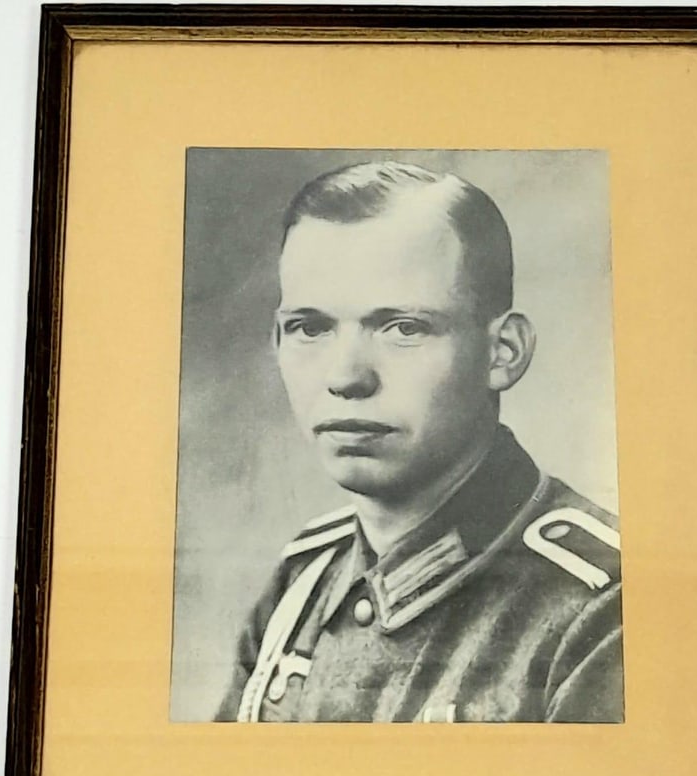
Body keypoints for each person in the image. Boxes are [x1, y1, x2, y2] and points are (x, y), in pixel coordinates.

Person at [217, 161, 623, 724]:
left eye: (403, 327)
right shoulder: (301, 582)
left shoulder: (604, 609)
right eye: (311, 327)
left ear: (503, 352)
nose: (346, 378)